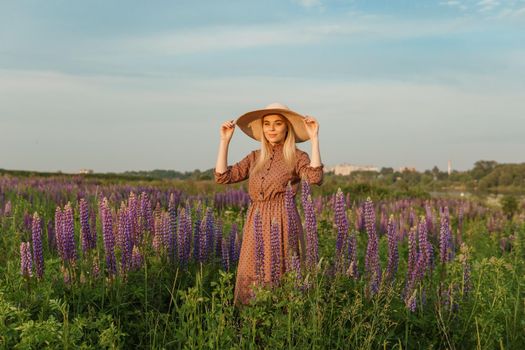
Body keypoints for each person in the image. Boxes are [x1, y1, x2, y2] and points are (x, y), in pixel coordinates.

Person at [214, 102, 323, 304]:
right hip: (256, 222)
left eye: (278, 123)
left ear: (287, 127)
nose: (271, 128)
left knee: (280, 272)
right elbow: (223, 177)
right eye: (267, 124)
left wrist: (314, 138)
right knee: (251, 271)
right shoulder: (255, 157)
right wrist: (224, 141)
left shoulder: (297, 156)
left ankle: (280, 325)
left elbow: (315, 177)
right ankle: (250, 325)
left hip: (282, 220)